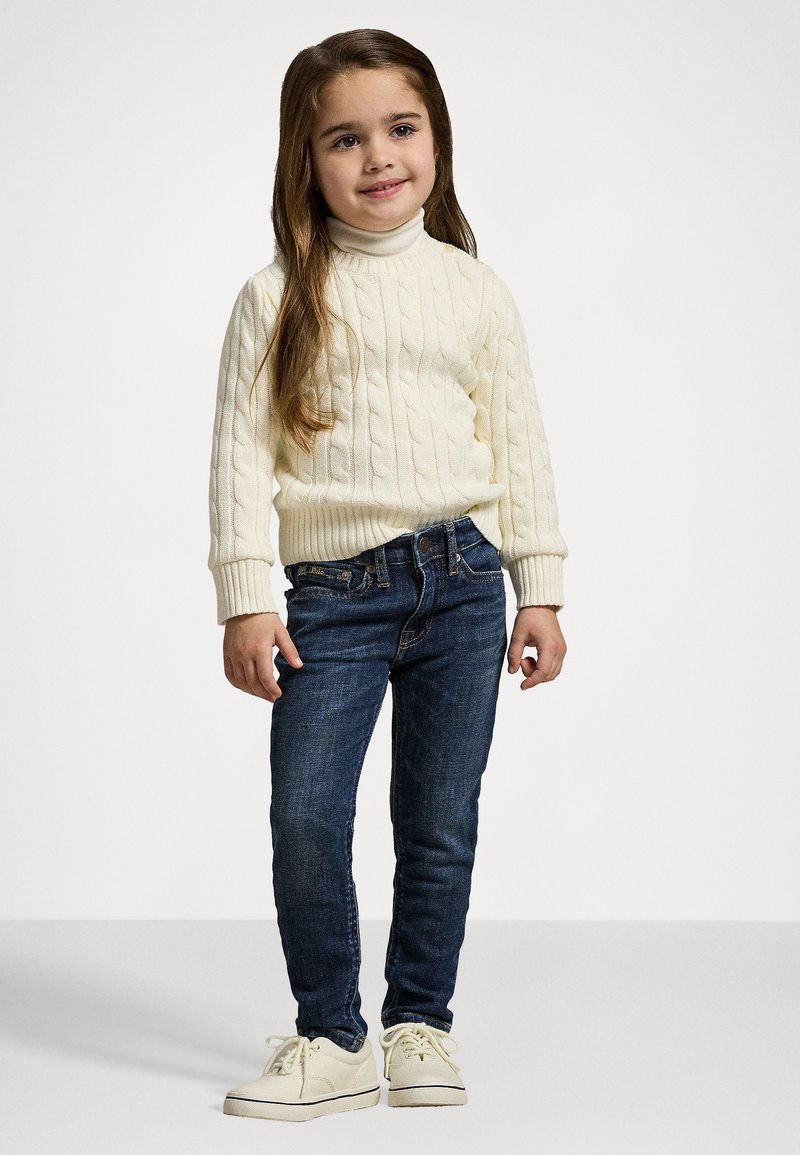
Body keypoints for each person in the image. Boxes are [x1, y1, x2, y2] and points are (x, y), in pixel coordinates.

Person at [208, 27, 569, 1123]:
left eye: (400, 129)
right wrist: (245, 598)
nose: (378, 157)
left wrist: (539, 586)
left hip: (461, 584)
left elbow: (519, 445)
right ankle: (331, 1037)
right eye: (344, 139)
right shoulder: (276, 295)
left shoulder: (474, 290)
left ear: (435, 139)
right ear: (305, 160)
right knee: (307, 817)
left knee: (439, 821)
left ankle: (419, 1024)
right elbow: (238, 457)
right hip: (331, 600)